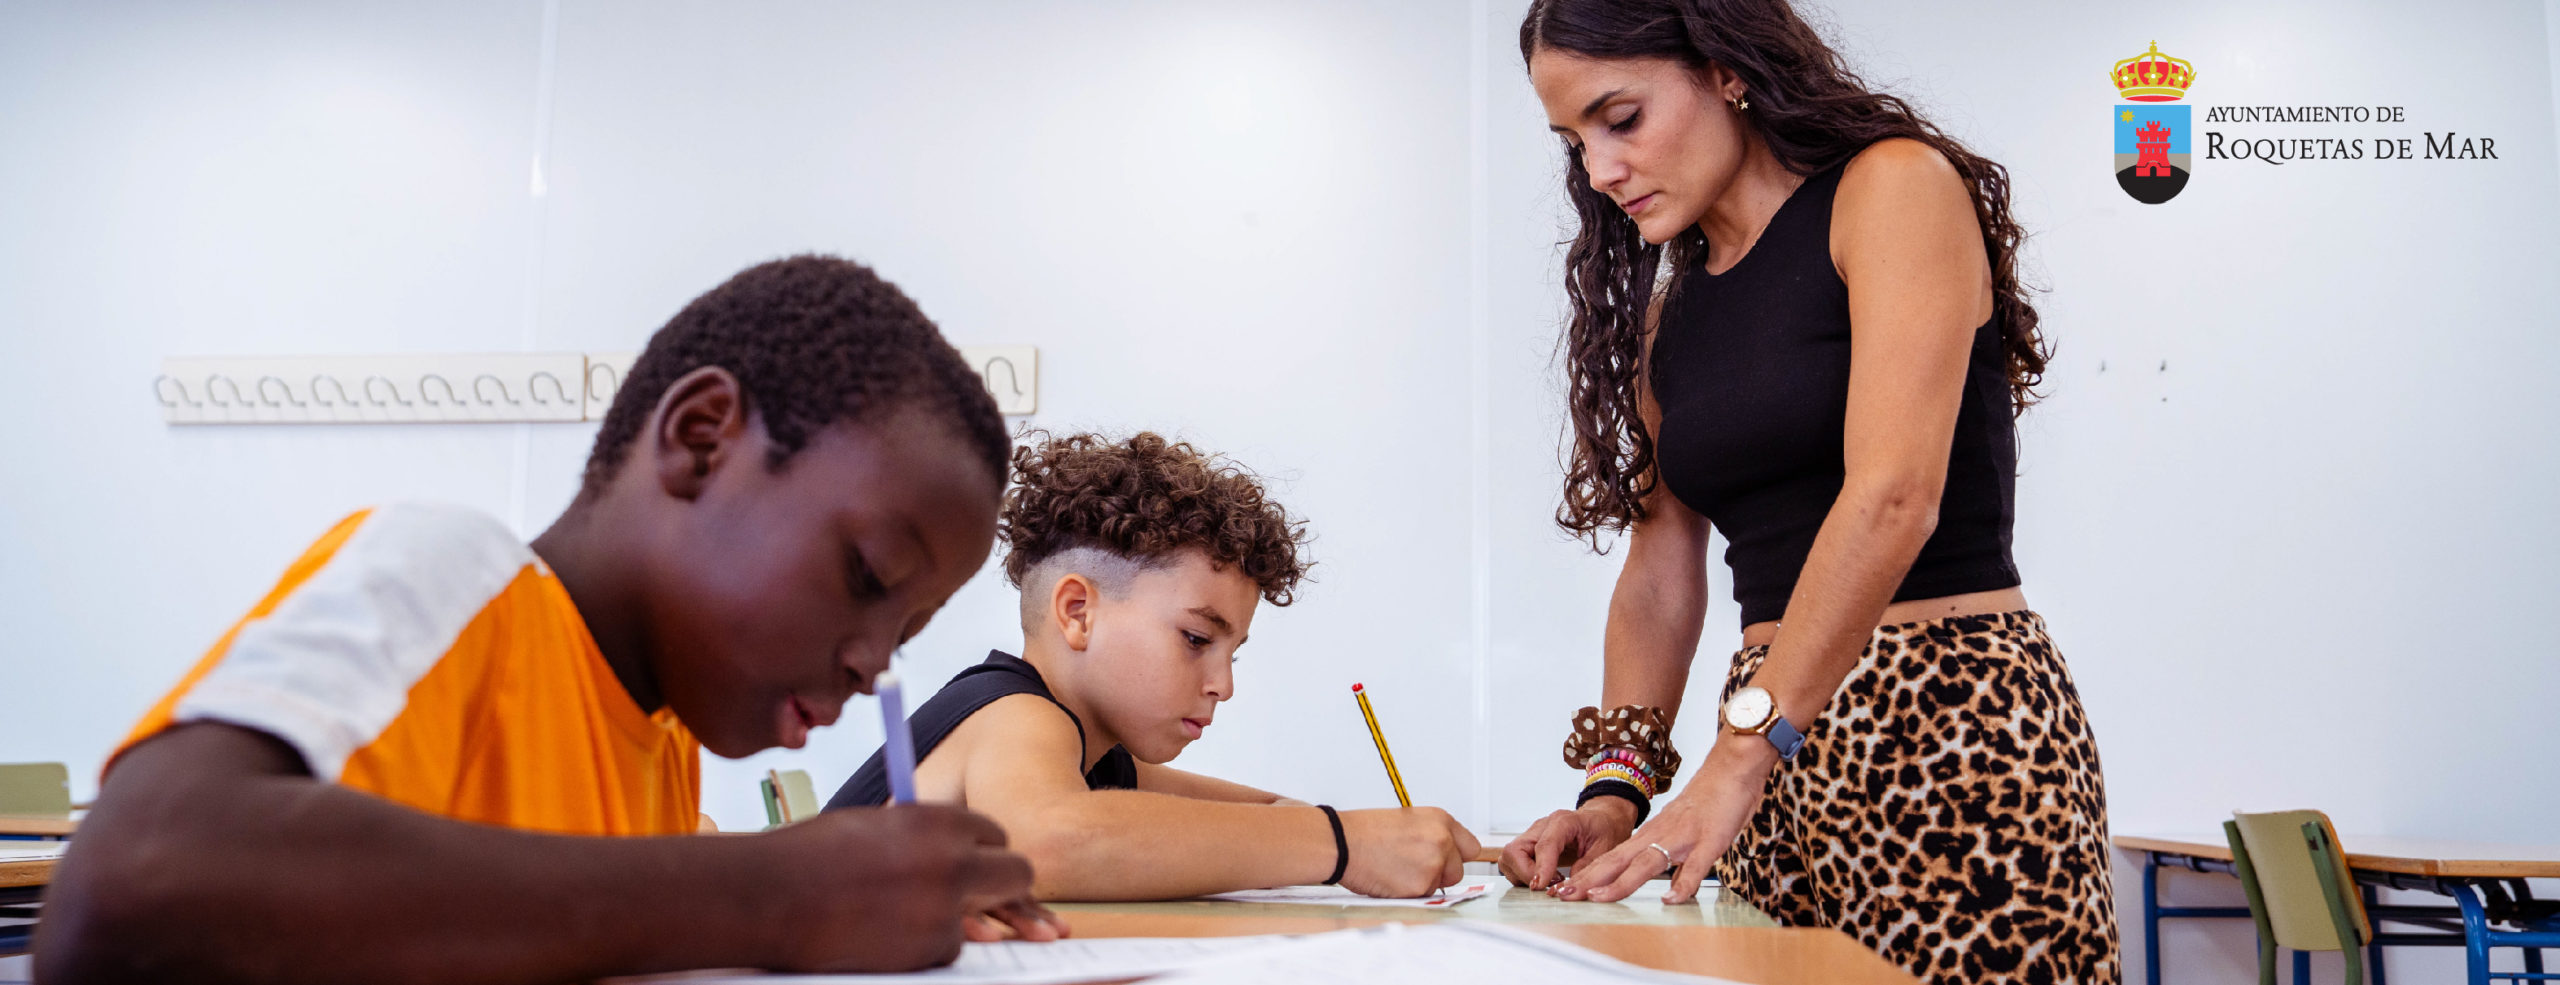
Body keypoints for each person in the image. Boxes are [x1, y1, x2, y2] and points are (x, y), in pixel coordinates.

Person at [38, 255, 1068, 984]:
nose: (873, 661)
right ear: (701, 439)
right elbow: (126, 894)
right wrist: (772, 893)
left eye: (912, 631)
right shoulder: (455, 572)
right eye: (865, 574)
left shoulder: (663, 748)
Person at [1496, 2, 2120, 982]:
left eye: (1619, 119)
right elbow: (1660, 569)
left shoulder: (1893, 190)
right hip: (1769, 755)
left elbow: (1892, 497)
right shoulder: (1674, 312)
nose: (1598, 169)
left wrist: (1733, 764)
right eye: (1572, 142)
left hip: (1953, 731)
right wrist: (1615, 790)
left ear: (1725, 70)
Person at [827, 431, 1480, 900]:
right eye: (1198, 638)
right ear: (1077, 611)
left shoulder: (1094, 758)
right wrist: (1344, 845)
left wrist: (1439, 845)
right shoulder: (1015, 714)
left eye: (1233, 652)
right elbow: (1052, 839)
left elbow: (1274, 812)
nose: (1223, 684)